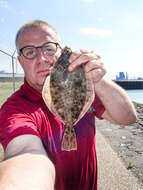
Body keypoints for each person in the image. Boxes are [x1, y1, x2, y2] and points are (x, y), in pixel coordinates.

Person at [0, 20, 137, 190]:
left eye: (49, 49)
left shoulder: (80, 86)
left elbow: (128, 117)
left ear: (60, 51)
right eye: (30, 52)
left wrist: (97, 80)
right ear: (21, 62)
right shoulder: (15, 109)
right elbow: (25, 153)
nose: (42, 58)